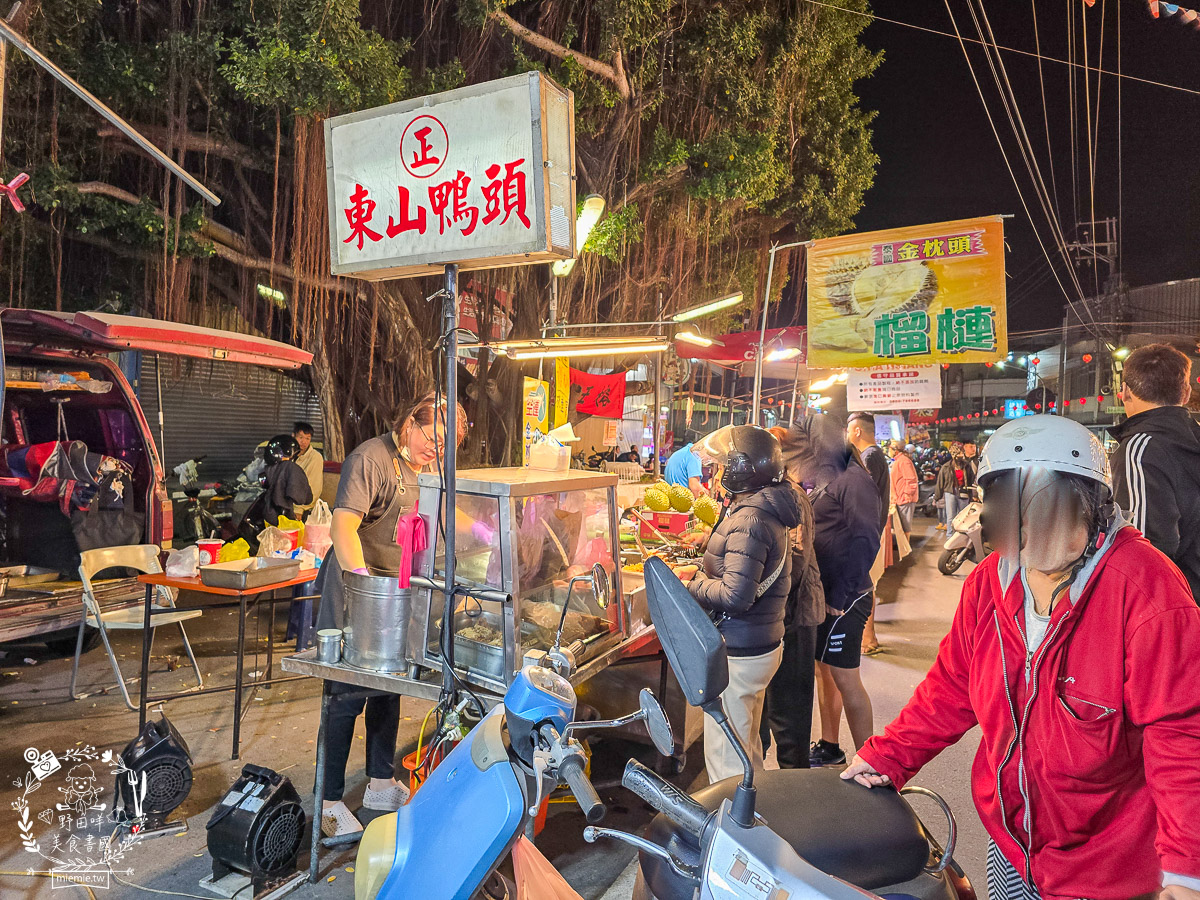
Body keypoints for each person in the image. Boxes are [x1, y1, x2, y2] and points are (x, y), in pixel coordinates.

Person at [843, 414, 1200, 900]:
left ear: (1094, 508)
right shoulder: (989, 581)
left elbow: (1180, 737)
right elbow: (953, 685)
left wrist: (1186, 869)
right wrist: (888, 755)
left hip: (1107, 869)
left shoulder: (1148, 593)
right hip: (1012, 844)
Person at [314, 394, 468, 837]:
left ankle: (380, 784)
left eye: (444, 445)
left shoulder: (427, 470)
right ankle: (328, 803)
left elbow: (447, 514)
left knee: (389, 687)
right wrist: (364, 582)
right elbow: (343, 526)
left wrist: (486, 529)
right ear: (409, 422)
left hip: (397, 592)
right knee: (345, 696)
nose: (434, 449)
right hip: (354, 588)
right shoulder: (370, 460)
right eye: (430, 438)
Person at [673, 425, 803, 783]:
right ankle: (757, 805)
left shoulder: (751, 518)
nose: (716, 475)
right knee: (745, 745)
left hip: (741, 650)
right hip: (759, 642)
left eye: (722, 467)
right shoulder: (764, 507)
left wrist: (692, 584)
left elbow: (735, 596)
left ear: (741, 470)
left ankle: (733, 815)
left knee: (726, 758)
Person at [781, 416, 881, 767]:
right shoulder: (830, 477)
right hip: (828, 594)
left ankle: (871, 763)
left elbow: (867, 540)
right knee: (825, 672)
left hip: (846, 599)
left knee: (845, 677)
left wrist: (840, 598)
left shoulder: (854, 481)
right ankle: (830, 746)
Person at [757, 425, 825, 769]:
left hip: (795, 615)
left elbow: (795, 559)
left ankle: (795, 787)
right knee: (763, 710)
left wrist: (759, 592)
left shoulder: (792, 496)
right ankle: (759, 786)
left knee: (790, 715)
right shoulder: (764, 492)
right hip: (773, 615)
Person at [1111, 342, 1200, 600]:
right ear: (1186, 392)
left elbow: (1143, 554)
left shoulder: (1140, 450)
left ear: (1125, 392)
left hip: (1175, 607)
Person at [847, 413, 889, 656]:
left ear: (857, 431)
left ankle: (868, 638)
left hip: (866, 530)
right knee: (865, 582)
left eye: (848, 430)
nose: (847, 435)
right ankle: (866, 636)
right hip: (870, 529)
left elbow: (862, 494)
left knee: (865, 584)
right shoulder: (874, 454)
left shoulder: (869, 456)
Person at [258, 434, 312, 526]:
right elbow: (305, 498)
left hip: (267, 516)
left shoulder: (267, 469)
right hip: (284, 519)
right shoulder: (291, 467)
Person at [934, 442, 971, 531]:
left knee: (963, 517)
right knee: (950, 517)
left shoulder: (966, 466)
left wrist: (972, 494)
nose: (961, 455)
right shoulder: (946, 467)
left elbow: (971, 479)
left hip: (963, 492)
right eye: (959, 453)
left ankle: (962, 536)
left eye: (962, 453)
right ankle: (950, 536)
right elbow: (940, 483)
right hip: (950, 492)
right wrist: (937, 497)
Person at [293, 421, 324, 518]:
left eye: (307, 438)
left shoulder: (315, 457)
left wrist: (299, 509)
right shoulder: (289, 455)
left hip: (301, 510)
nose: (304, 442)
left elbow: (314, 487)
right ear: (293, 436)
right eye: (301, 437)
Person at [887, 441, 918, 535]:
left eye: (890, 449)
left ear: (895, 450)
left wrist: (906, 495)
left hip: (904, 499)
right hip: (899, 498)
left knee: (905, 527)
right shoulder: (898, 461)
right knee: (900, 526)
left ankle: (905, 544)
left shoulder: (904, 461)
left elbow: (911, 480)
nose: (888, 451)